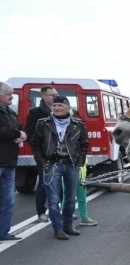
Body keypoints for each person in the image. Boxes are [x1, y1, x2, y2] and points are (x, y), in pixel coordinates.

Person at [32, 95, 88, 240]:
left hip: (71, 165)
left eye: (60, 106)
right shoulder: (42, 123)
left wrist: (79, 162)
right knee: (53, 200)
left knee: (70, 199)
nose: (56, 108)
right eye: (54, 106)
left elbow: (84, 144)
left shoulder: (78, 123)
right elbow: (36, 145)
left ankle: (68, 225)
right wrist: (43, 162)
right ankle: (58, 228)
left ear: (68, 108)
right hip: (52, 164)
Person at [25, 85, 59, 222]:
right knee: (45, 183)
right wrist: (37, 149)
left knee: (59, 183)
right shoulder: (36, 112)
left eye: (56, 94)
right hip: (44, 154)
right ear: (44, 96)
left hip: (59, 153)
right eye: (52, 95)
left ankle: (56, 210)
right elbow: (29, 132)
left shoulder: (59, 110)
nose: (56, 97)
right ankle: (41, 211)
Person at [0, 82, 26, 241]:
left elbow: (15, 130)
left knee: (8, 200)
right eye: (8, 93)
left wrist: (20, 134)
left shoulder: (10, 113)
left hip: (10, 162)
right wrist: (17, 132)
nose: (11, 96)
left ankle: (3, 233)